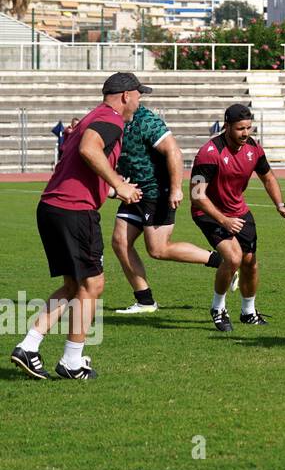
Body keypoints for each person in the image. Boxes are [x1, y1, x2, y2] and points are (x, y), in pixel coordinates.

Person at [11, 72, 146, 380]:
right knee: (93, 285)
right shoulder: (110, 119)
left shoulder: (92, 117)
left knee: (75, 286)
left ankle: (28, 346)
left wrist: (111, 189)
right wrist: (118, 184)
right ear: (126, 95)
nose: (139, 102)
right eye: (139, 95)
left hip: (53, 208)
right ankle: (71, 362)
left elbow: (78, 163)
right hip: (74, 212)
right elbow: (88, 150)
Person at [190, 104, 285, 332]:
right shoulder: (209, 153)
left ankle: (248, 312)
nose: (245, 133)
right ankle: (218, 308)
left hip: (238, 211)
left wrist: (280, 205)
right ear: (226, 126)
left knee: (250, 264)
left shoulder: (253, 148)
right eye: (240, 128)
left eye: (249, 128)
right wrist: (223, 220)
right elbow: (197, 196)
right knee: (233, 258)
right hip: (208, 212)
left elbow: (268, 177)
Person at [111, 101, 223, 314]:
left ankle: (222, 262)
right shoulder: (113, 119)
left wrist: (175, 189)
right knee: (119, 242)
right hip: (133, 190)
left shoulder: (146, 120)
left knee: (158, 249)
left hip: (156, 192)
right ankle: (145, 300)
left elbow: (174, 151)